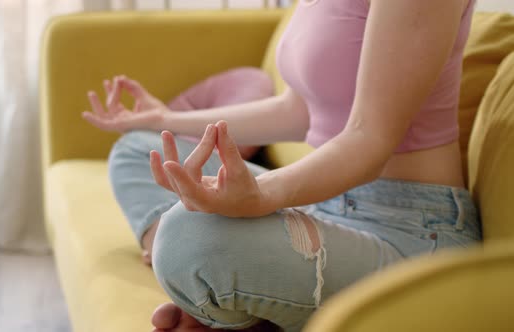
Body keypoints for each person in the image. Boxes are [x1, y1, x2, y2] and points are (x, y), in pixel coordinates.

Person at [82, 0, 482, 331]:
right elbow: (297, 111)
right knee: (137, 150)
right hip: (324, 203)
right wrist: (164, 121)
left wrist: (260, 196)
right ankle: (231, 300)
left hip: (410, 231)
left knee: (187, 236)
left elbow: (370, 139)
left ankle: (225, 302)